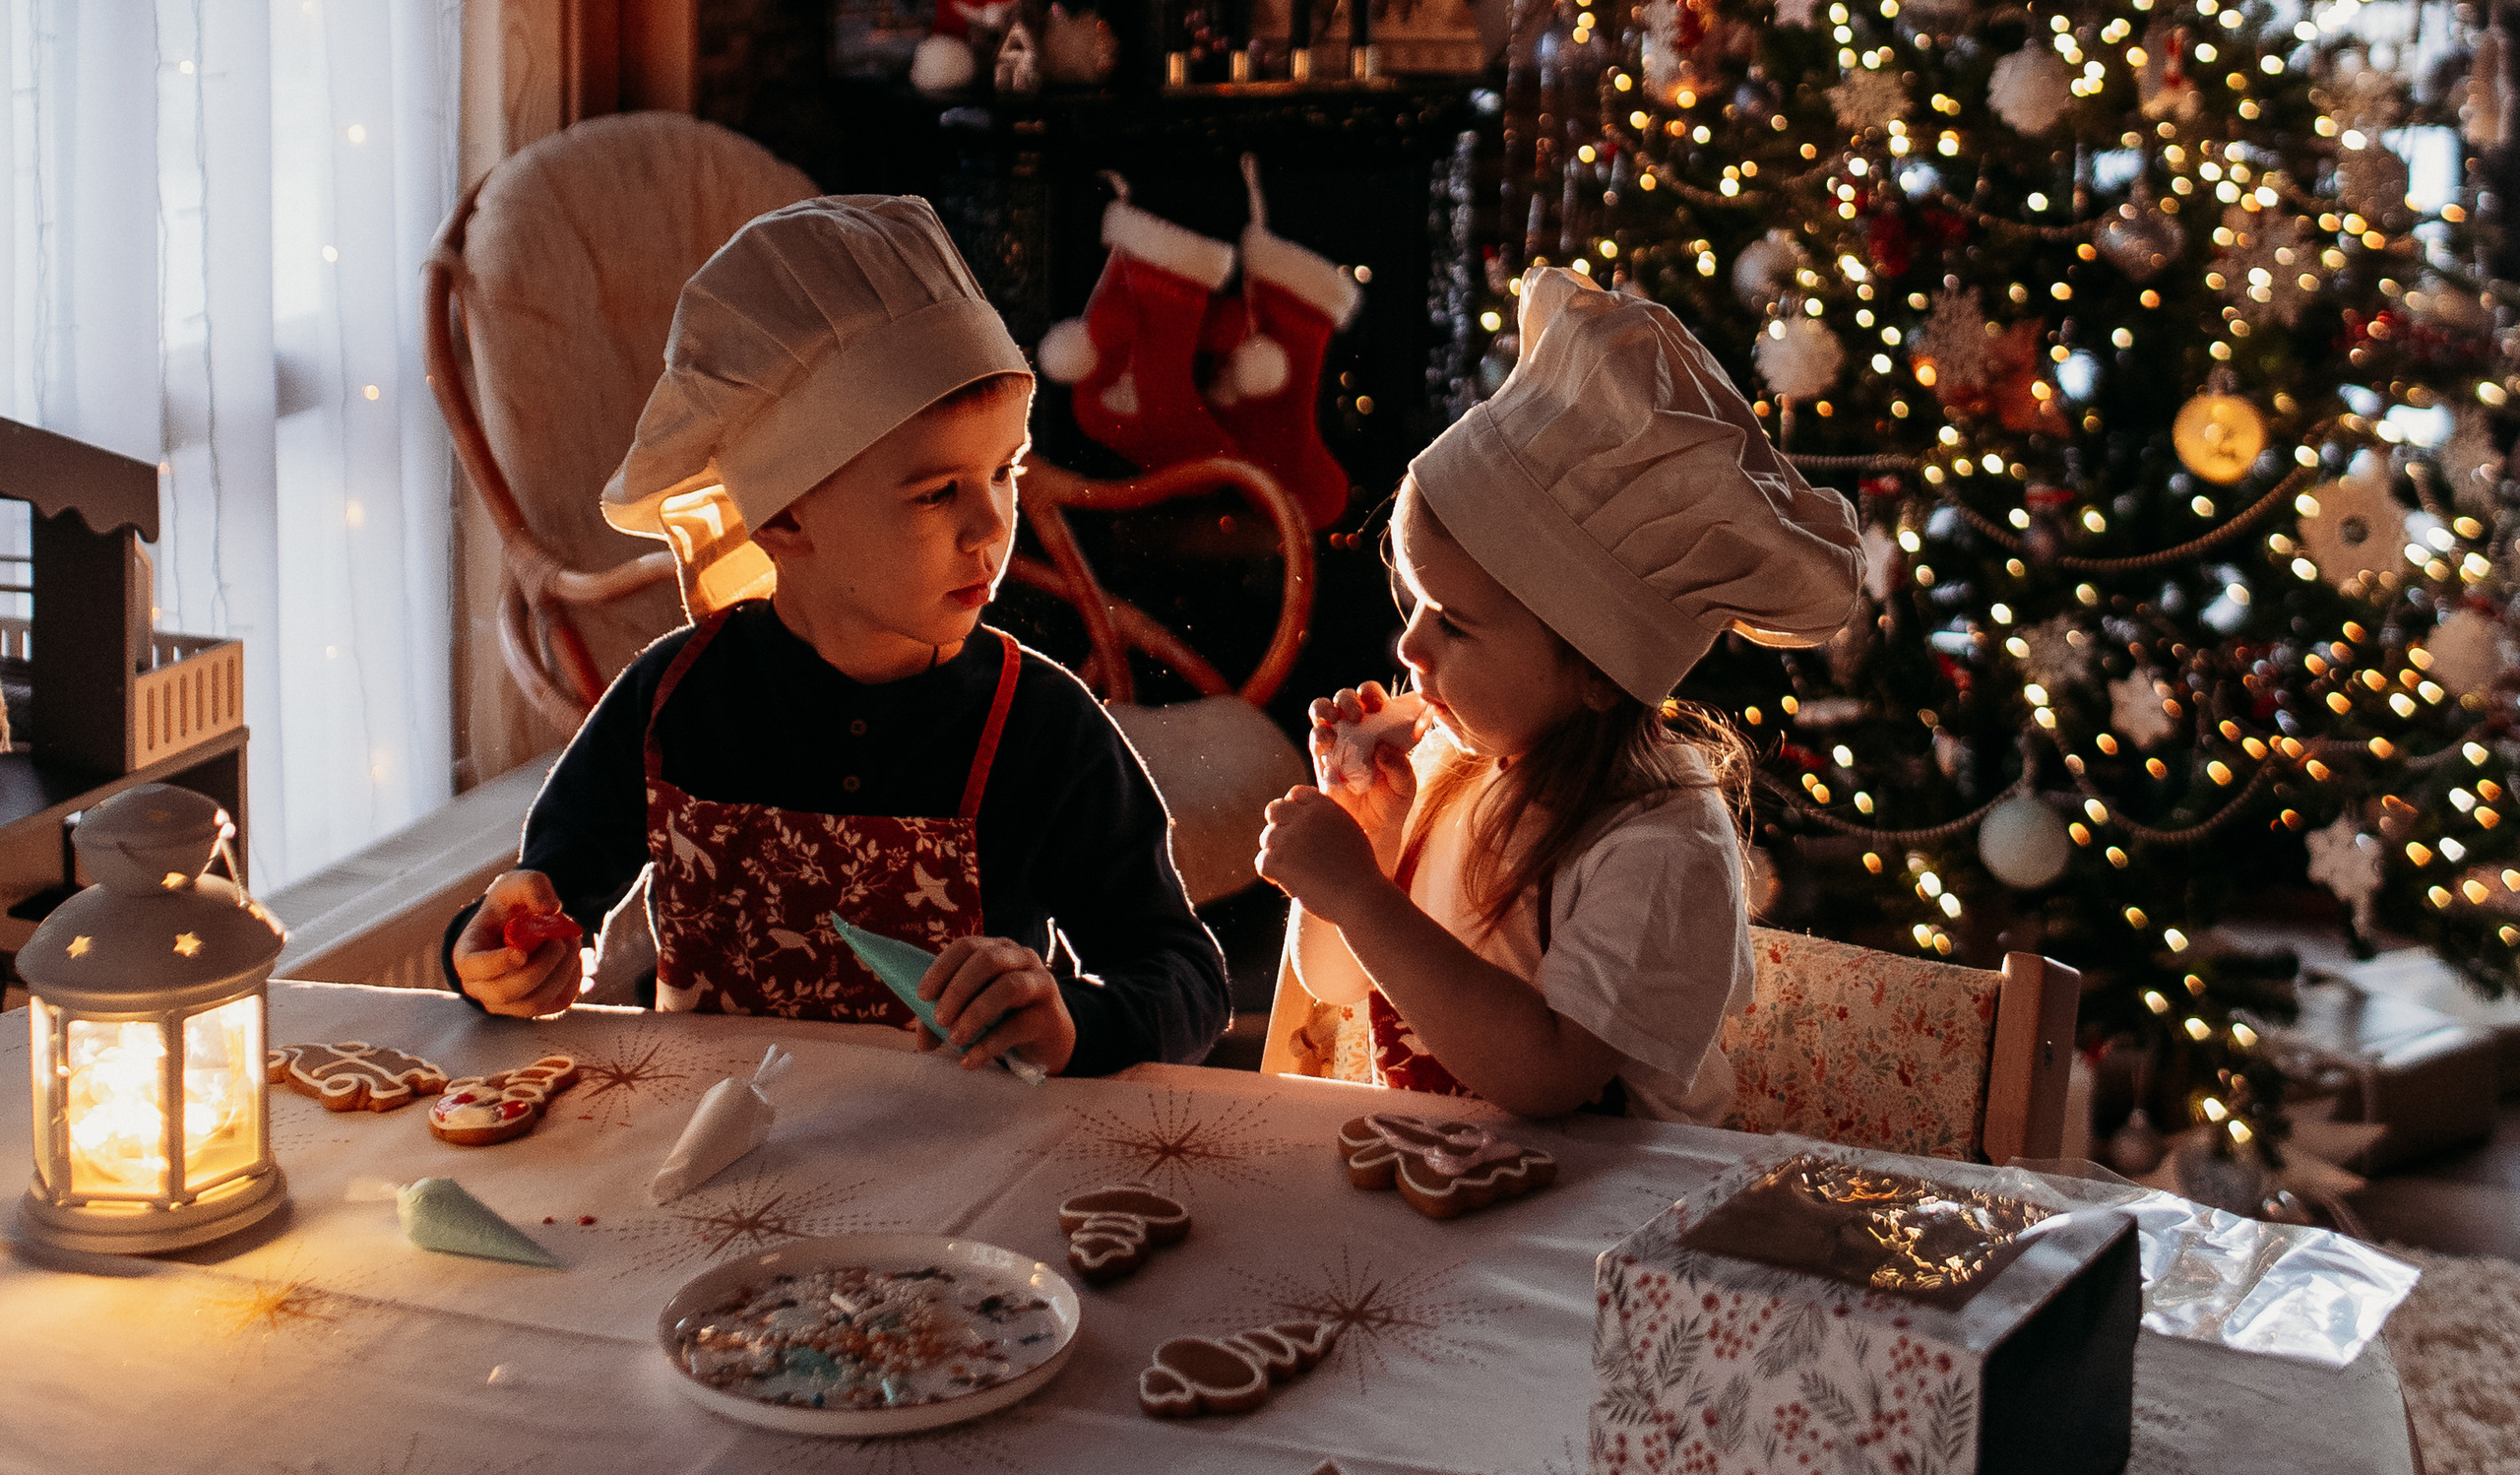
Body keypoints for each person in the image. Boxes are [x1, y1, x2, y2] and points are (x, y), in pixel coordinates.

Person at [443, 195, 1228, 1076]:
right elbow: (544, 898)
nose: (990, 527)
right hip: (701, 1162)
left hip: (952, 1176)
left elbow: (1185, 979)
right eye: (936, 492)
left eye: (1003, 471)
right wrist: (501, 954)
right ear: (782, 519)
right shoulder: (671, 698)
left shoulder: (1046, 728)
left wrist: (1070, 1021)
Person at [1257, 265, 1858, 1118]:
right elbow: (1336, 978)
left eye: (1455, 625)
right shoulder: (1452, 759)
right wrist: (1371, 839)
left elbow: (1548, 1077)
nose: (1409, 645)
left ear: (1595, 675)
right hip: (1457, 1198)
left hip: (1611, 1223)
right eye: (1417, 603)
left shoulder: (1659, 846)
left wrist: (1358, 891)